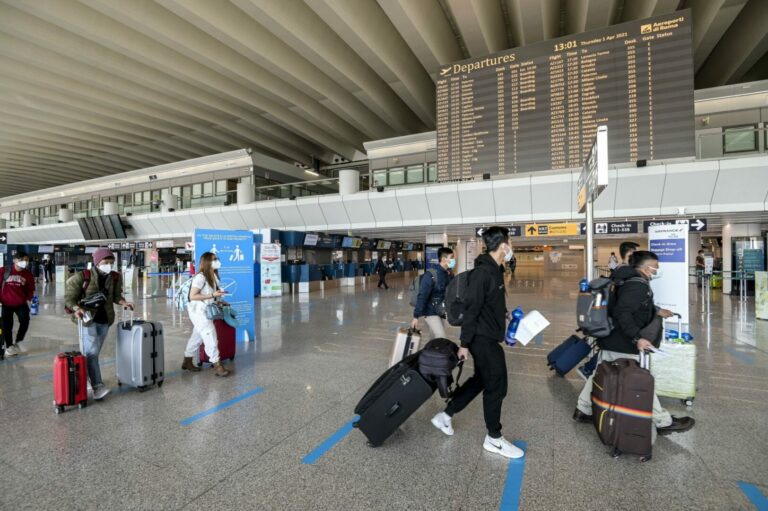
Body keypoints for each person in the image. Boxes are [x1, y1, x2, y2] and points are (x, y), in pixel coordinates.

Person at [572, 251, 695, 435]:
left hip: (610, 336)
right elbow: (623, 312)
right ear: (646, 267)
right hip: (624, 341)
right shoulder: (637, 284)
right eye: (656, 266)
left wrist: (656, 310)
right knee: (640, 378)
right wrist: (637, 338)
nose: (657, 270)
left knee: (599, 373)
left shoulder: (623, 279)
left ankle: (583, 410)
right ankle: (662, 421)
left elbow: (631, 305)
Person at [430, 226, 524, 459]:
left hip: (488, 334)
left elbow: (489, 303)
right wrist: (464, 344)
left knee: (481, 380)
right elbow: (471, 311)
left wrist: (505, 314)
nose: (511, 247)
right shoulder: (483, 274)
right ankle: (494, 438)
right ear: (503, 245)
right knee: (497, 385)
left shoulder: (495, 270)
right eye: (510, 243)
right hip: (482, 339)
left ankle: (445, 416)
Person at [65, 248, 133, 401]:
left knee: (92, 353)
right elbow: (69, 298)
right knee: (92, 353)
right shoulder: (82, 276)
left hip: (105, 319)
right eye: (105, 262)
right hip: (87, 319)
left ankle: (86, 378)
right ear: (97, 262)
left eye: (111, 262)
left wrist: (123, 302)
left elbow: (116, 295)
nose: (108, 265)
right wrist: (76, 309)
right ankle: (97, 386)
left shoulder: (115, 277)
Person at [181, 252, 231, 377]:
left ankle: (187, 360)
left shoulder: (214, 276)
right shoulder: (200, 277)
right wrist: (212, 295)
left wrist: (220, 300)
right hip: (198, 311)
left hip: (206, 310)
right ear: (207, 262)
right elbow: (192, 296)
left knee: (197, 336)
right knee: (210, 335)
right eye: (214, 259)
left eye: (217, 259)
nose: (217, 261)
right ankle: (217, 365)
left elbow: (212, 295)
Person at [411, 247, 455, 339]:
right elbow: (422, 295)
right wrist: (416, 316)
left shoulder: (449, 274)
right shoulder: (430, 275)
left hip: (442, 310)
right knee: (441, 337)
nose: (453, 260)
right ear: (444, 259)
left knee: (433, 338)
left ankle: (430, 348)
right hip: (430, 311)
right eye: (451, 257)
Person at [0, 251, 36, 359]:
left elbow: (30, 288)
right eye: (21, 260)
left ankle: (19, 341)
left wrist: (30, 299)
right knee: (7, 326)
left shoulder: (28, 274)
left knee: (25, 321)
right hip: (6, 303)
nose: (24, 262)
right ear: (15, 260)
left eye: (26, 260)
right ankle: (9, 346)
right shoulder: (4, 271)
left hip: (21, 303)